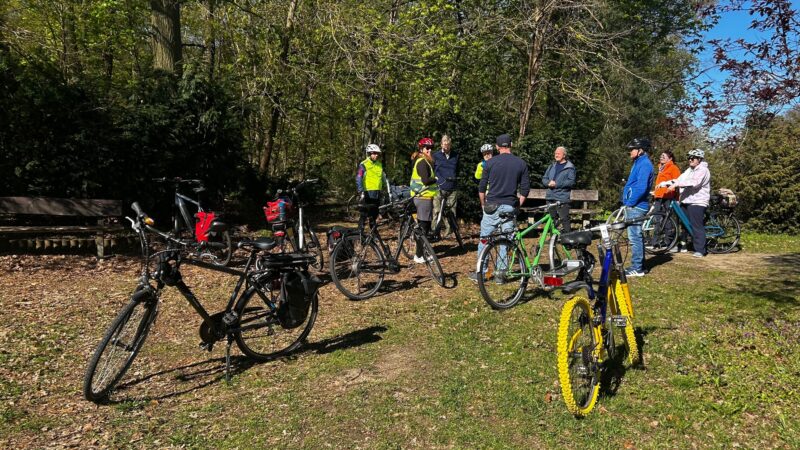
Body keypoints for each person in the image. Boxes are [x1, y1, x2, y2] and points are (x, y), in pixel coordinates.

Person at [468, 133, 530, 283]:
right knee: (505, 240)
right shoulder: (520, 163)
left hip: (491, 206)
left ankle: (481, 273)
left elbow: (482, 188)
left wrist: (483, 204)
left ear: (497, 147)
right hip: (509, 207)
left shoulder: (489, 163)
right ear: (511, 145)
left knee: (484, 240)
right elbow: (525, 189)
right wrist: (517, 205)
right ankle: (501, 275)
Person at [658, 149, 711, 257]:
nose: (690, 160)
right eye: (689, 158)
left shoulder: (703, 170)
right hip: (686, 200)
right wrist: (665, 183)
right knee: (685, 225)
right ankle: (684, 245)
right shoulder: (690, 170)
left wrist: (677, 185)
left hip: (698, 201)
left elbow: (694, 183)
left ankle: (700, 250)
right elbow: (679, 179)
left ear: (699, 159)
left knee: (696, 226)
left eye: (693, 158)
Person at [621, 138, 655, 277]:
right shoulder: (639, 162)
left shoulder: (645, 164)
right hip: (634, 205)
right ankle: (640, 265)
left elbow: (641, 187)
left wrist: (630, 202)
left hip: (637, 206)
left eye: (632, 149)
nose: (630, 152)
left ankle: (637, 268)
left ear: (640, 150)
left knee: (634, 237)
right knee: (636, 236)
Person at [410, 137, 438, 264]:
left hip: (423, 197)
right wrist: (435, 178)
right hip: (423, 197)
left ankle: (421, 253)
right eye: (427, 148)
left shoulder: (424, 161)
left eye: (431, 148)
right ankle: (419, 255)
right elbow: (426, 180)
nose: (429, 150)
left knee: (423, 227)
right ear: (421, 149)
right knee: (424, 228)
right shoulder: (422, 162)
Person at [650, 150, 681, 252]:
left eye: (664, 156)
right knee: (657, 219)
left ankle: (671, 242)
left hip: (668, 197)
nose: (661, 157)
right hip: (659, 197)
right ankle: (655, 242)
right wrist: (655, 192)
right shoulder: (660, 168)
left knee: (668, 220)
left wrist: (676, 197)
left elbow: (677, 183)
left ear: (670, 158)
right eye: (661, 156)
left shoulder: (674, 168)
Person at [541, 146, 576, 232]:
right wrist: (548, 183)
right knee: (551, 219)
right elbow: (544, 178)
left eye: (558, 153)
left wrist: (556, 184)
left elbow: (571, 182)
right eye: (555, 153)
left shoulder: (570, 167)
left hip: (562, 198)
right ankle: (553, 239)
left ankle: (568, 239)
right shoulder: (551, 166)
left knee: (564, 219)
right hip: (550, 197)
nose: (556, 155)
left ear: (564, 155)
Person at [432, 134, 459, 237]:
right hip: (439, 187)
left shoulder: (456, 155)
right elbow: (432, 170)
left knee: (451, 212)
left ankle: (450, 232)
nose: (446, 146)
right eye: (444, 144)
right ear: (441, 144)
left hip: (452, 188)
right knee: (437, 211)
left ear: (450, 144)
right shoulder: (436, 155)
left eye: (448, 144)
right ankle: (435, 231)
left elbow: (457, 170)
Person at [355, 144, 386, 231]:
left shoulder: (379, 165)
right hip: (367, 193)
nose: (376, 155)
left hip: (377, 193)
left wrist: (388, 187)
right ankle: (359, 234)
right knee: (364, 215)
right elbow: (358, 177)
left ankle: (373, 234)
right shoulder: (363, 164)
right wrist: (360, 191)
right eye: (374, 153)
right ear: (369, 154)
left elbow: (383, 178)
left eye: (377, 154)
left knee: (374, 215)